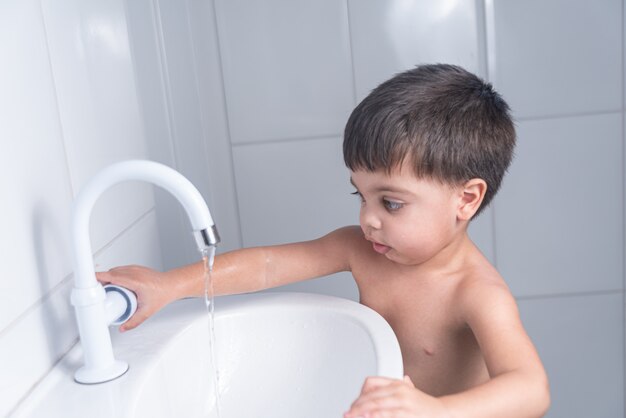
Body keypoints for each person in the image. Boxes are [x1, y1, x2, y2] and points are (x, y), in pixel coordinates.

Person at [98, 64, 550, 417]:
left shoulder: (475, 293)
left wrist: (435, 411)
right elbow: (269, 265)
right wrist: (170, 285)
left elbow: (530, 389)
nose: (367, 219)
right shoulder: (362, 249)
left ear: (466, 200)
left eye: (391, 203)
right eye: (361, 195)